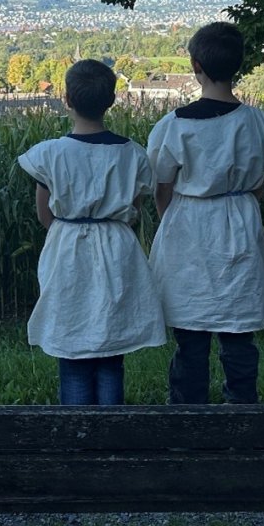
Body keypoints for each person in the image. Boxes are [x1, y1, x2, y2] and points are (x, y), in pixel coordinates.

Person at [146, 21, 264, 404]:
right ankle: (241, 412)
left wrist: (171, 218)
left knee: (190, 336)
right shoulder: (259, 123)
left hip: (187, 226)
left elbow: (161, 186)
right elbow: (260, 185)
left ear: (196, 65)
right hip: (239, 222)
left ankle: (188, 415)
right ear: (238, 65)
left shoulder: (172, 126)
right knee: (239, 335)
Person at [17, 60, 167, 404]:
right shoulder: (132, 154)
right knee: (112, 352)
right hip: (117, 246)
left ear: (67, 99)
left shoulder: (49, 154)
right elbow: (134, 211)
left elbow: (44, 213)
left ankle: (78, 430)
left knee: (71, 350)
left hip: (67, 247)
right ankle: (111, 428)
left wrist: (69, 229)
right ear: (111, 100)